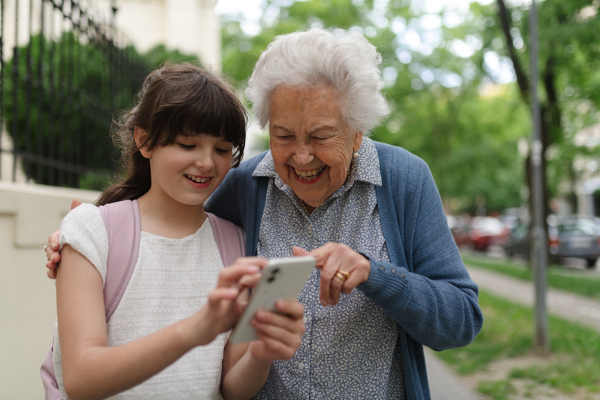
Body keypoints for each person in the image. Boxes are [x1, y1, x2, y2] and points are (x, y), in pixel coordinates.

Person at [46, 29, 483, 399]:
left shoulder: (404, 180)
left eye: (321, 135)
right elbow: (170, 220)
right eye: (284, 135)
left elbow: (461, 321)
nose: (301, 156)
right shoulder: (244, 185)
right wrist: (84, 235)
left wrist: (375, 274)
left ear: (357, 132)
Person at [46, 62, 305, 399]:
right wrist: (196, 329)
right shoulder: (92, 230)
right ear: (144, 140)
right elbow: (82, 380)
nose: (207, 163)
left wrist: (262, 352)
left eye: (223, 149)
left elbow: (231, 388)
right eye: (187, 145)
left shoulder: (235, 241)